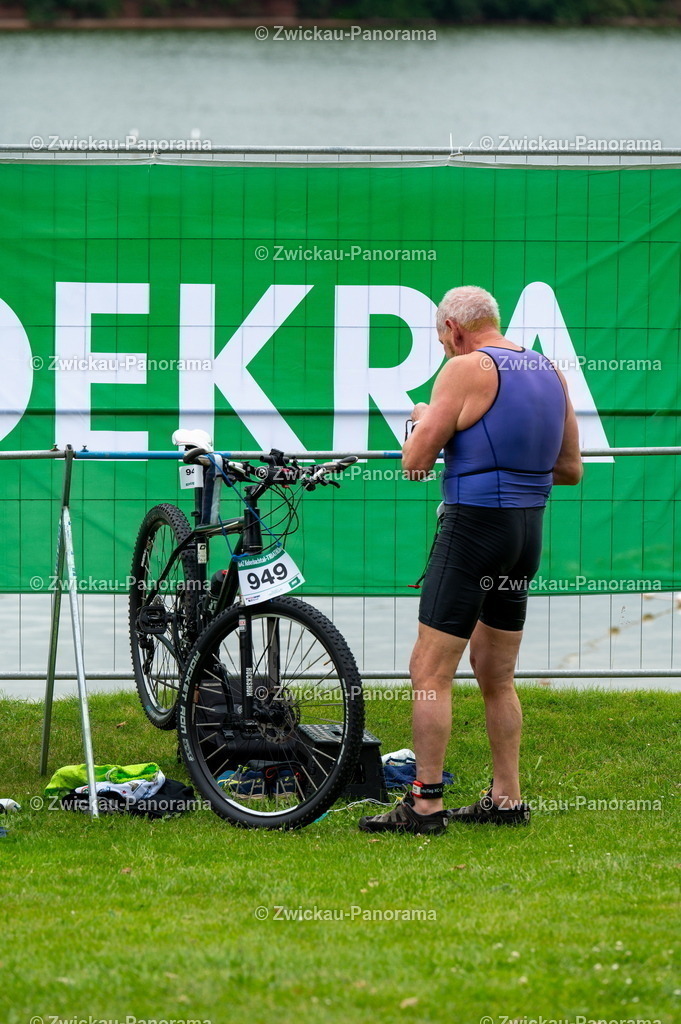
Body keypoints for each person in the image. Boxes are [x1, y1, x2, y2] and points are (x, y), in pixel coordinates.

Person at [359, 285, 583, 835]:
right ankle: (507, 799)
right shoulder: (549, 371)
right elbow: (571, 468)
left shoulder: (465, 369)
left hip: (474, 528)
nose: (443, 350)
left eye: (441, 340)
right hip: (526, 532)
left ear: (455, 330)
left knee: (429, 670)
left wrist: (423, 417)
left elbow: (415, 462)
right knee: (496, 674)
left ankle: (425, 804)